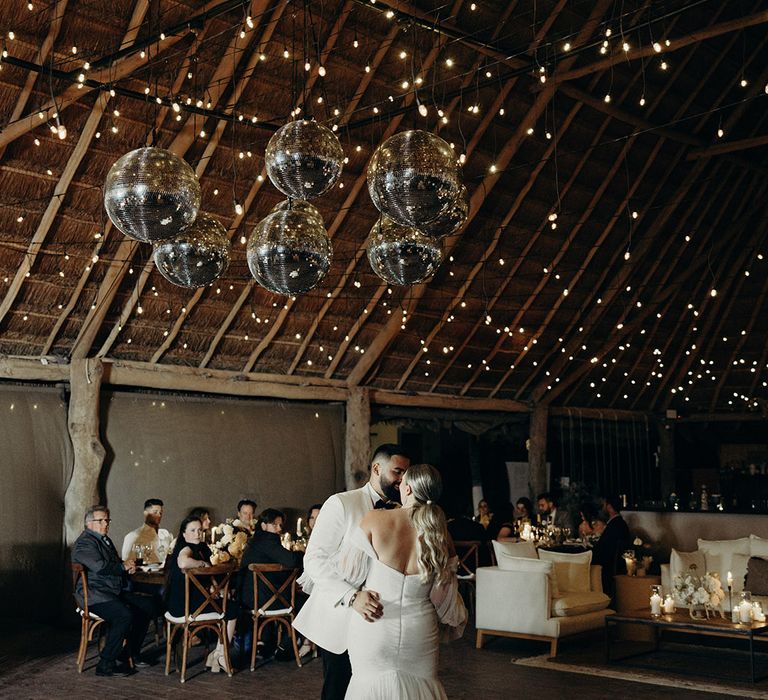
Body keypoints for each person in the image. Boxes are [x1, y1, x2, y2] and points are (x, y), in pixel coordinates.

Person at [337, 463, 467, 698]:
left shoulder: (375, 519)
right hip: (420, 632)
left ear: (406, 489)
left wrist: (356, 596)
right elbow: (442, 598)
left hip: (373, 625)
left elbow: (345, 573)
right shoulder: (440, 534)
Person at [293, 443, 411, 700]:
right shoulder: (341, 503)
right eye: (397, 472)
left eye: (405, 474)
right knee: (338, 689)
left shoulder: (402, 512)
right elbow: (313, 559)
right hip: (342, 615)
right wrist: (352, 595)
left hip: (380, 620)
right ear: (377, 468)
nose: (402, 480)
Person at [72, 505, 154, 677]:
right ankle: (105, 664)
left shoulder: (102, 539)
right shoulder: (85, 542)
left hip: (110, 591)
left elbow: (114, 565)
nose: (105, 523)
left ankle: (127, 653)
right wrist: (122, 567)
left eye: (107, 520)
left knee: (148, 606)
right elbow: (100, 567)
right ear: (89, 523)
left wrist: (126, 566)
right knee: (123, 615)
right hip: (94, 595)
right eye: (100, 520)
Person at [165, 515, 236, 672]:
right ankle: (221, 655)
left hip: (185, 603)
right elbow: (183, 562)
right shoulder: (186, 548)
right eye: (192, 530)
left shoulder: (201, 547)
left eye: (199, 530)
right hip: (186, 606)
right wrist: (201, 564)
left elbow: (208, 577)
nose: (197, 533)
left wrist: (215, 587)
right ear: (183, 534)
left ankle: (217, 655)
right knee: (233, 610)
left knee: (228, 605)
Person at [239, 508, 305, 658]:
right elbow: (291, 560)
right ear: (263, 525)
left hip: (251, 598)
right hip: (265, 599)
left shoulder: (256, 542)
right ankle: (287, 646)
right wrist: (301, 552)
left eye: (280, 525)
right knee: (306, 602)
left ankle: (271, 642)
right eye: (275, 525)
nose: (279, 528)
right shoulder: (267, 541)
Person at [590, 495, 631, 598]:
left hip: (608, 566)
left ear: (609, 507)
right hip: (613, 564)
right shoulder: (620, 524)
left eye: (604, 505)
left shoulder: (614, 525)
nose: (603, 508)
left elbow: (602, 548)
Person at [121, 498, 173, 564]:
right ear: (146, 513)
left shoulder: (165, 534)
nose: (159, 515)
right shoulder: (133, 536)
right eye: (155, 512)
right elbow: (126, 561)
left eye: (160, 513)